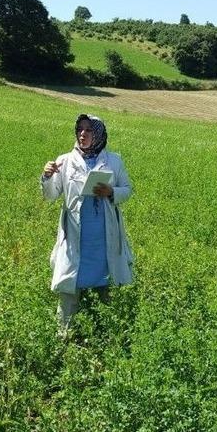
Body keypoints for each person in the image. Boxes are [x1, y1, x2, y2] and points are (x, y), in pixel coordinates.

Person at [40, 113, 134, 337]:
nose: (82, 134)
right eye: (79, 129)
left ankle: (107, 334)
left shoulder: (114, 161)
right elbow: (51, 195)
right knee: (70, 283)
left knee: (106, 281)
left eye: (88, 130)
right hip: (76, 236)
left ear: (99, 133)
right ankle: (65, 335)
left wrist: (112, 192)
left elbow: (128, 190)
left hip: (104, 236)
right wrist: (47, 177)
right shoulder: (64, 161)